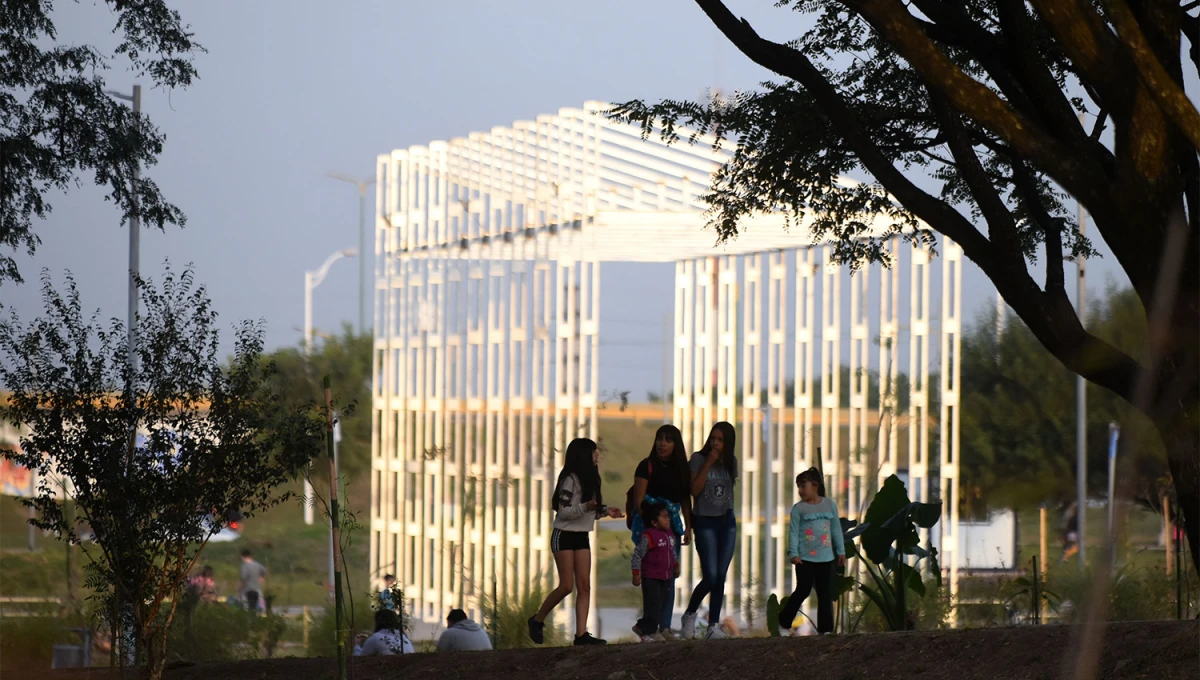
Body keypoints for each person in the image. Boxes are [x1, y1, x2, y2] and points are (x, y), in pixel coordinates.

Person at [528, 438, 623, 646]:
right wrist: (587, 507)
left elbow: (590, 511)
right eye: (593, 452)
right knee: (566, 586)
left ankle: (581, 636)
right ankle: (537, 620)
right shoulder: (570, 480)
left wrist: (606, 511)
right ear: (582, 456)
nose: (597, 456)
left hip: (581, 535)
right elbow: (563, 512)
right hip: (563, 535)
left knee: (585, 586)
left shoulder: (592, 479)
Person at [630, 424, 692, 635]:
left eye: (668, 440)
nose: (662, 444)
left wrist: (688, 527)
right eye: (659, 439)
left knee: (669, 579)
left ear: (676, 444)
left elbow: (685, 500)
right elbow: (639, 502)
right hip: (651, 532)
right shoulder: (646, 466)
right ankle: (649, 627)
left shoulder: (681, 470)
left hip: (672, 531)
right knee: (652, 581)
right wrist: (656, 524)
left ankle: (665, 626)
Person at [680, 422, 738, 640]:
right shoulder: (697, 459)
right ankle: (690, 614)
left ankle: (713, 625)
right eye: (713, 438)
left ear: (728, 442)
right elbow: (694, 490)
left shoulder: (731, 462)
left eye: (721, 440)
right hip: (705, 522)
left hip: (727, 522)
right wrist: (709, 463)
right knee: (711, 575)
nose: (715, 443)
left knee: (721, 576)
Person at [777, 467, 845, 635]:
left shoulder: (830, 505)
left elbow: (835, 529)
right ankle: (784, 623)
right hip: (804, 559)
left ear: (815, 485)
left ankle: (826, 630)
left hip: (826, 558)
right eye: (798, 486)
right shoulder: (798, 509)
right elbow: (793, 532)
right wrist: (794, 554)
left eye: (803, 486)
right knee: (803, 590)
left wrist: (841, 551)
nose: (800, 490)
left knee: (824, 593)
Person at [631, 502, 680, 642]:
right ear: (654, 522)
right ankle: (649, 632)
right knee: (653, 603)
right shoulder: (649, 536)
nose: (668, 519)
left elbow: (673, 552)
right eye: (664, 517)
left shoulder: (670, 535)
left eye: (668, 517)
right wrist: (636, 573)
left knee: (662, 603)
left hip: (665, 576)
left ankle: (643, 626)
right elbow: (638, 555)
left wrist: (676, 565)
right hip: (651, 576)